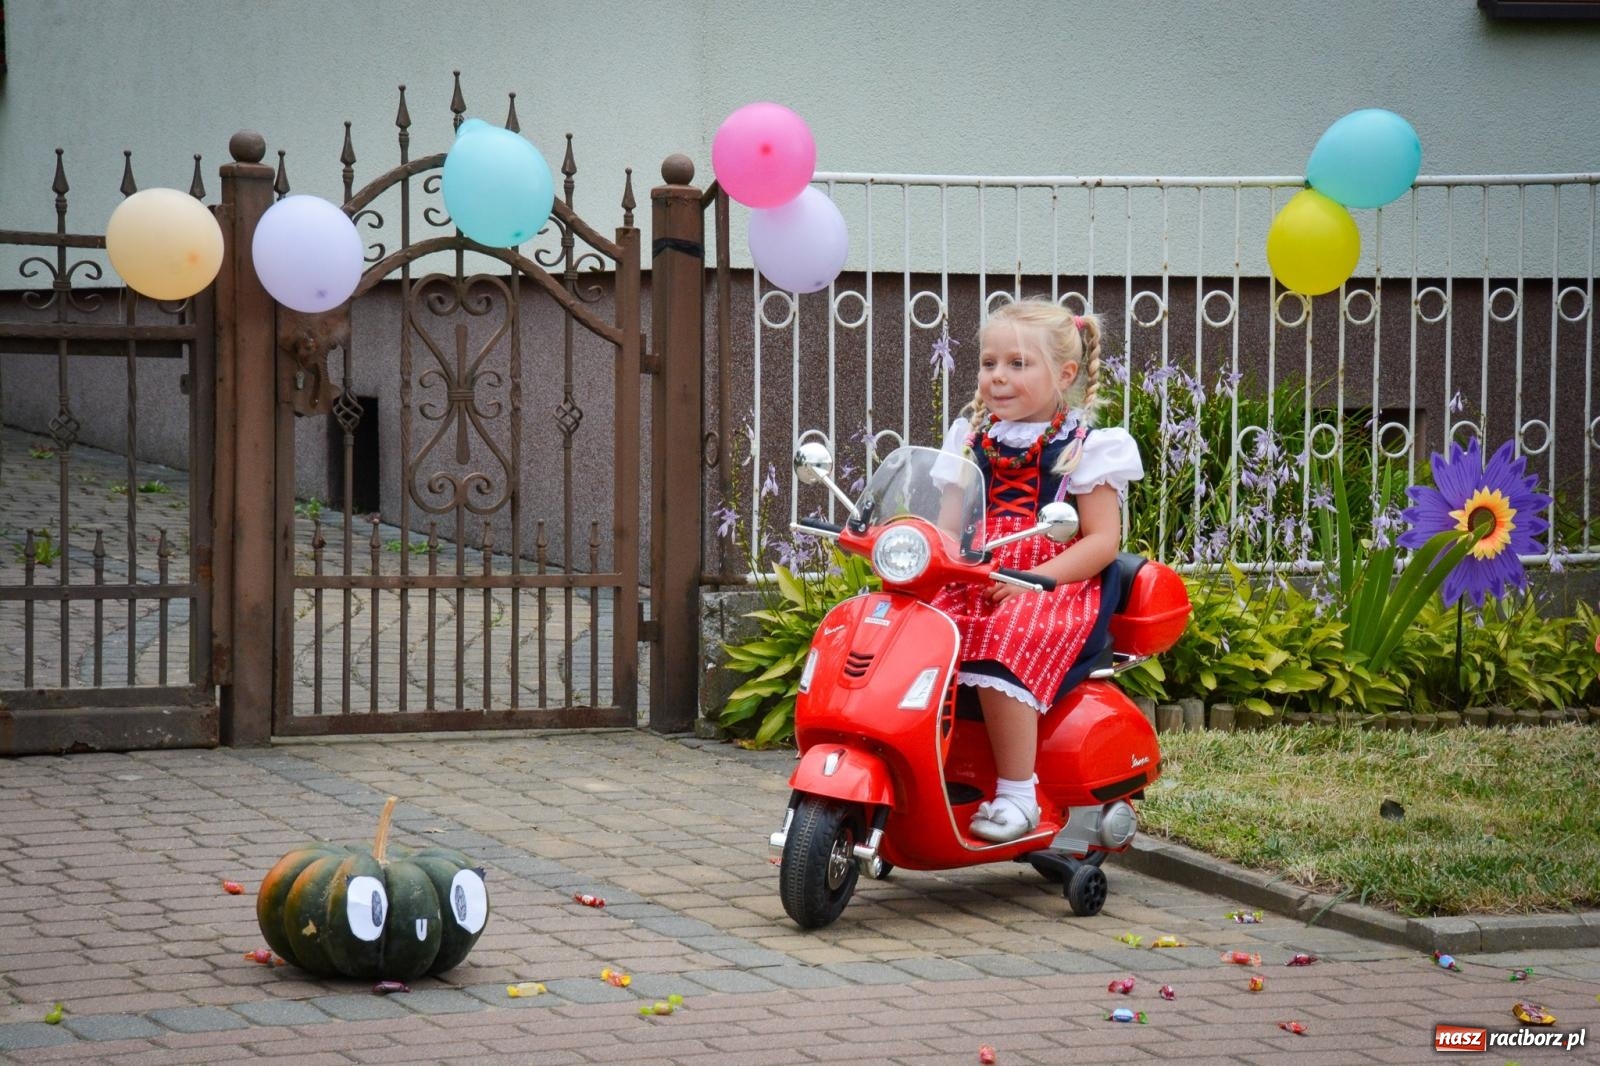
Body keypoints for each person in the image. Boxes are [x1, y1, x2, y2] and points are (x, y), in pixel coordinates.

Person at [931, 299, 1144, 842]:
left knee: (1004, 637)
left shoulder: (1087, 447)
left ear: (1065, 374)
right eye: (989, 363)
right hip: (979, 576)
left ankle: (1018, 793)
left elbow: (1100, 541)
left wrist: (1037, 580)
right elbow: (949, 529)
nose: (997, 377)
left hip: (1055, 583)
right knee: (921, 632)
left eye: (1017, 364)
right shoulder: (970, 439)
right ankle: (925, 769)